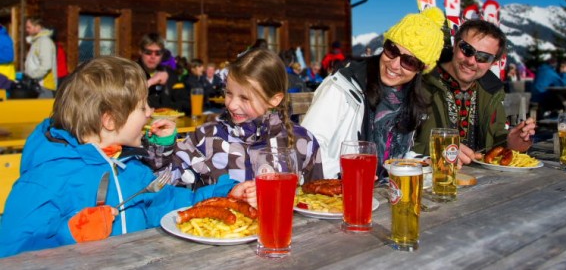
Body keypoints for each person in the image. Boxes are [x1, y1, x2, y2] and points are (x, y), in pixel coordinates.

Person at [0, 56, 254, 258]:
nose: (149, 113)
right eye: (143, 106)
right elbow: (10, 254)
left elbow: (171, 204)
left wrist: (224, 195)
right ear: (110, 120)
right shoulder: (47, 180)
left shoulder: (132, 169)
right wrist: (71, 236)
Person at [302, 7, 447, 178]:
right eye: (392, 50)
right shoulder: (342, 87)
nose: (394, 65)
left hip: (385, 193)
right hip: (339, 194)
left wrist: (425, 161)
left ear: (422, 69)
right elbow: (305, 149)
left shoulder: (407, 96)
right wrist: (351, 170)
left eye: (409, 61)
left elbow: (392, 158)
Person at [146, 48, 324, 187]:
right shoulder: (207, 138)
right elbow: (160, 181)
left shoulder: (303, 142)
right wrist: (163, 146)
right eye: (228, 93)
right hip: (220, 231)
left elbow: (315, 197)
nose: (231, 105)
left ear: (274, 99)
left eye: (244, 98)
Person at [413, 19, 536, 166]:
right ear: (455, 46)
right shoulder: (419, 82)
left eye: (483, 57)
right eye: (466, 49)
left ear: (493, 63)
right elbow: (392, 145)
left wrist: (512, 143)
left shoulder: (491, 90)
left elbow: (496, 134)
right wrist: (439, 151)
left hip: (481, 181)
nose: (471, 61)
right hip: (431, 179)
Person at [136, 33, 189, 113]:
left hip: (169, 122)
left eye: (157, 53)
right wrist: (150, 82)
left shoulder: (169, 73)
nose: (153, 56)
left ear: (162, 54)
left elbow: (186, 104)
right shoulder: (131, 72)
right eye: (148, 52)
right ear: (140, 52)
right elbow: (124, 100)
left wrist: (164, 109)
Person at [24, 16, 57, 98]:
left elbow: (46, 65)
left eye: (29, 27)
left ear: (38, 27)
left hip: (44, 85)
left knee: (42, 110)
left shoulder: (44, 42)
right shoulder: (36, 41)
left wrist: (32, 75)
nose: (26, 30)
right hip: (36, 84)